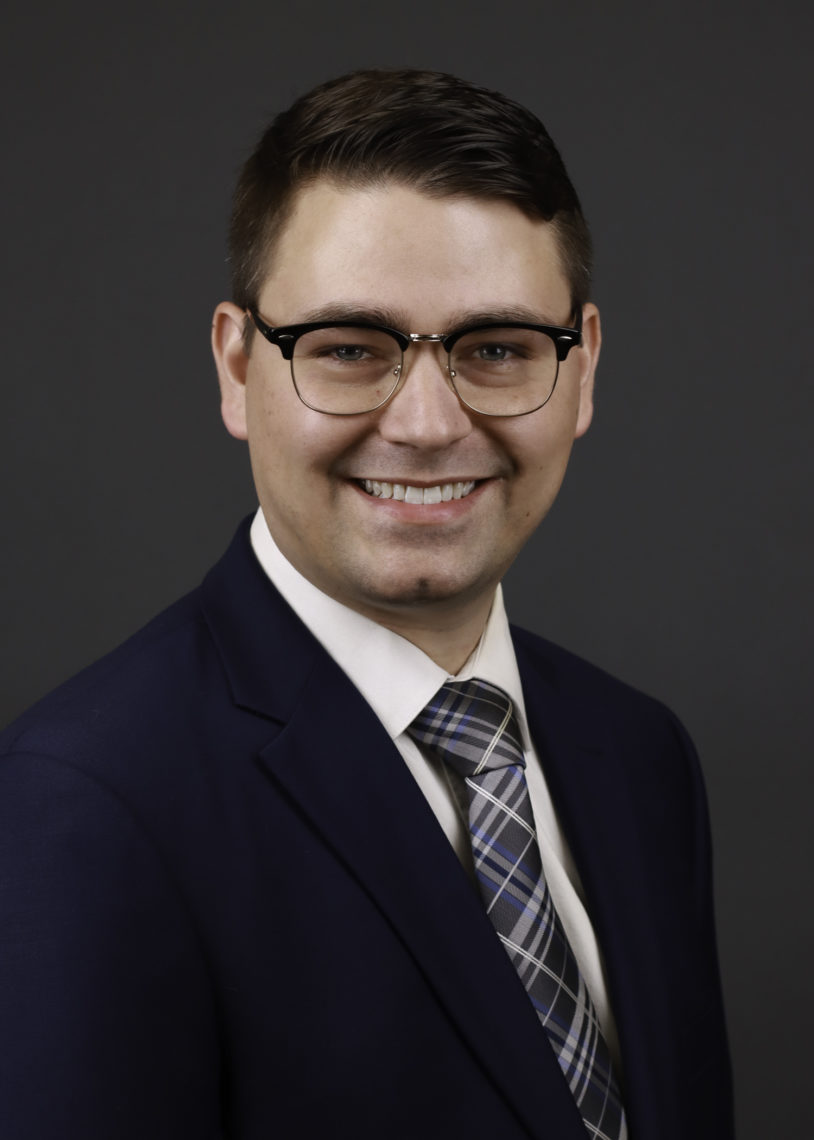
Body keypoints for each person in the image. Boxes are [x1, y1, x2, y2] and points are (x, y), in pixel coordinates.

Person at [0, 69, 733, 1139]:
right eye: (349, 349)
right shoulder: (83, 806)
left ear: (581, 369)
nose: (428, 424)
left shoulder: (639, 756)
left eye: (496, 349)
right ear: (236, 366)